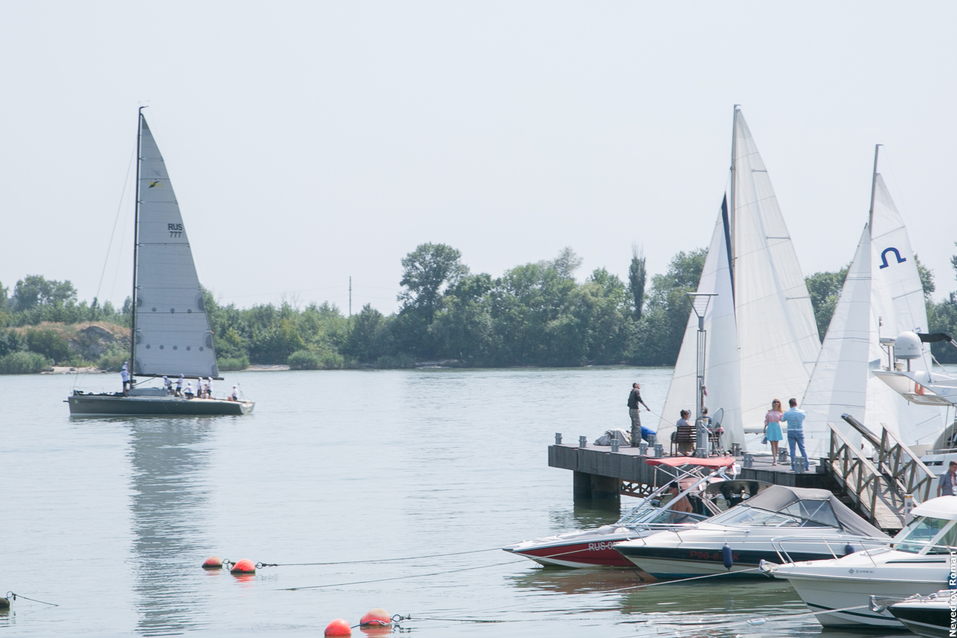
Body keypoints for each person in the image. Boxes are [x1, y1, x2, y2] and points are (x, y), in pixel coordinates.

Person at [782, 398, 809, 471]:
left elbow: (782, 419)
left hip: (791, 431)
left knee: (792, 449)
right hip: (799, 431)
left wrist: (783, 413)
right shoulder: (802, 412)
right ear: (796, 404)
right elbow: (803, 418)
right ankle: (806, 465)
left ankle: (793, 466)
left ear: (789, 404)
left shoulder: (787, 413)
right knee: (802, 448)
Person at [764, 399, 785, 465]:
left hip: (776, 427)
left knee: (776, 443)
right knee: (772, 443)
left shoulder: (780, 412)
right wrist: (764, 427)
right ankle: (774, 458)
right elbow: (766, 420)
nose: (776, 403)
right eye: (775, 402)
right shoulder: (769, 412)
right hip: (770, 427)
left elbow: (782, 419)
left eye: (777, 402)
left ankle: (776, 456)